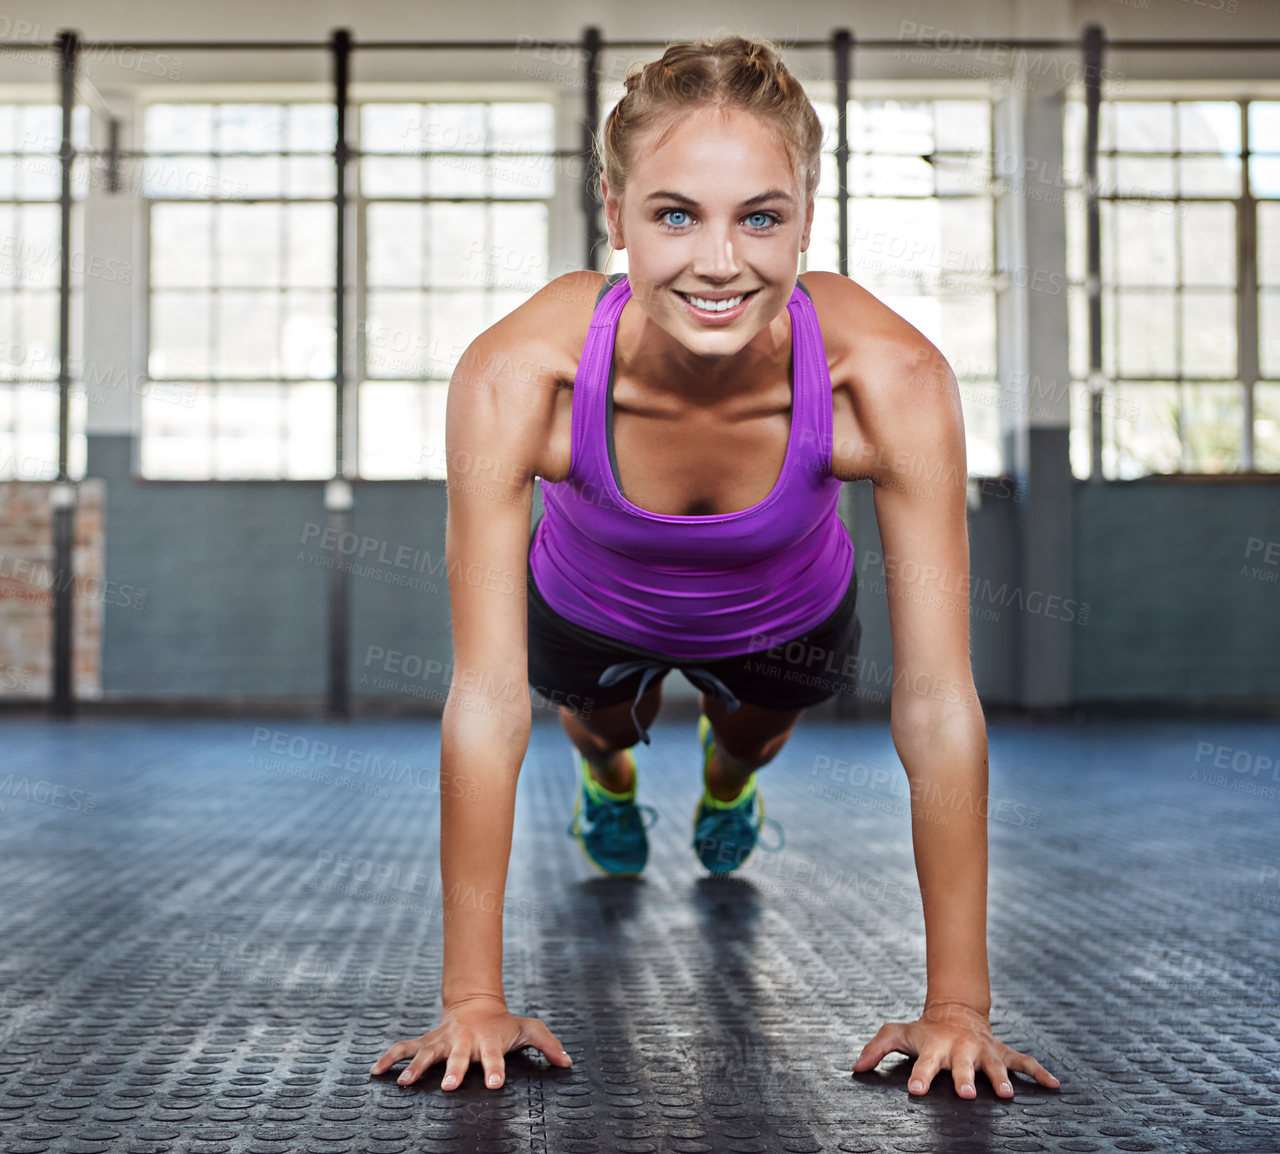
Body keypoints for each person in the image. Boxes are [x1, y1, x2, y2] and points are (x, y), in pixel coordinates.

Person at [369, 36, 1062, 1102]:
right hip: (587, 606)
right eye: (675, 213)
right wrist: (472, 998)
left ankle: (725, 786)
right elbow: (484, 692)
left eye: (760, 216)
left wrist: (957, 1009)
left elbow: (935, 697)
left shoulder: (893, 379)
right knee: (594, 724)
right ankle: (610, 776)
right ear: (615, 214)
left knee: (748, 740)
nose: (719, 262)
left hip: (784, 615)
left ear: (806, 219)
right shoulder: (520, 373)